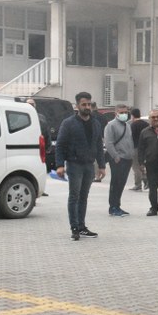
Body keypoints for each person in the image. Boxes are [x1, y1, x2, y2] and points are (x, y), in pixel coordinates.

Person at [54, 91, 106, 241]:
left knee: (84, 197)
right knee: (74, 196)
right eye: (84, 104)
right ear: (77, 106)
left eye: (89, 104)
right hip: (74, 164)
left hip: (89, 166)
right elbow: (60, 145)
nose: (87, 107)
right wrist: (59, 165)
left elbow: (98, 145)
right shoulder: (68, 123)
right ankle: (74, 228)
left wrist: (101, 165)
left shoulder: (95, 123)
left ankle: (82, 226)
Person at [103, 103, 135, 217]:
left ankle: (118, 205)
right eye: (121, 113)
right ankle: (113, 207)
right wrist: (116, 156)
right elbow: (109, 143)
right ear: (116, 113)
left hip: (127, 159)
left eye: (126, 112)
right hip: (118, 159)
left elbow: (129, 141)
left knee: (121, 183)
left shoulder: (127, 125)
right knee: (115, 183)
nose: (124, 114)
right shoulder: (111, 125)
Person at [128, 108, 149, 191]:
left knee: (136, 167)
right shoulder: (146, 124)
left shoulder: (133, 125)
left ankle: (138, 185)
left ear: (132, 115)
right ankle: (147, 181)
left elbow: (130, 138)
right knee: (142, 165)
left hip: (136, 148)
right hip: (146, 148)